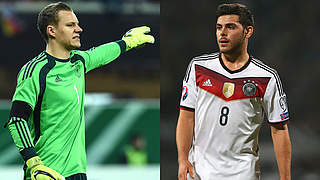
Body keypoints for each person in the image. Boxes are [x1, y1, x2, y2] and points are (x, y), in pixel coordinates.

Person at [4, 2, 154, 180]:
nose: (79, 29)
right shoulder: (35, 71)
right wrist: (34, 163)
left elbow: (101, 53)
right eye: (70, 25)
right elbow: (16, 120)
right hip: (46, 173)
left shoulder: (78, 61)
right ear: (52, 31)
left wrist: (127, 42)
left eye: (77, 24)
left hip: (78, 173)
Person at [176, 3, 291, 180]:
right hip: (199, 171)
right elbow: (186, 116)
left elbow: (279, 130)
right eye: (219, 27)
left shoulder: (266, 77)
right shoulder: (198, 67)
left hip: (243, 173)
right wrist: (183, 159)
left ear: (248, 31)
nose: (222, 33)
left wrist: (285, 178)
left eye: (230, 27)